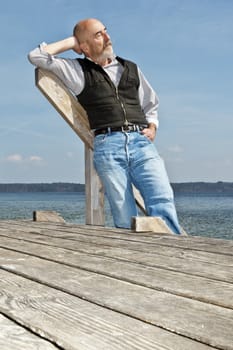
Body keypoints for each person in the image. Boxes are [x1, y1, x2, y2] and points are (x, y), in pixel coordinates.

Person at [28, 18, 182, 234]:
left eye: (106, 31)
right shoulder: (78, 70)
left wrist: (153, 126)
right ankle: (135, 258)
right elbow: (36, 57)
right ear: (84, 46)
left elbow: (150, 103)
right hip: (108, 145)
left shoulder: (130, 68)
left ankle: (176, 253)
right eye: (98, 35)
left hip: (141, 142)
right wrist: (72, 41)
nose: (108, 38)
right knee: (123, 212)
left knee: (162, 198)